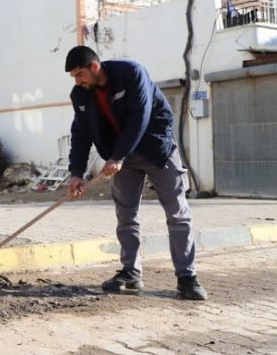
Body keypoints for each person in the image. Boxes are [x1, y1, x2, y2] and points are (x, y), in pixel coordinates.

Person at [63, 45, 207, 300]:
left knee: (177, 212)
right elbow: (81, 133)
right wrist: (76, 172)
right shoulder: (81, 95)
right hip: (122, 158)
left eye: (79, 74)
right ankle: (131, 273)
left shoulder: (131, 73)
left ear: (94, 67)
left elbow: (140, 117)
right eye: (74, 77)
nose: (77, 81)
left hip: (156, 150)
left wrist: (117, 156)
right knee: (126, 214)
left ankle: (187, 277)